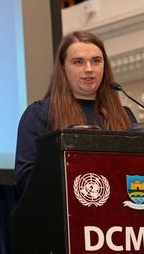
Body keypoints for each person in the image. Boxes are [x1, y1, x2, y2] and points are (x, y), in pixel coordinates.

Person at [14, 31, 137, 198]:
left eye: (96, 61)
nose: (89, 69)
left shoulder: (124, 116)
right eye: (78, 62)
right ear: (63, 68)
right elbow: (26, 181)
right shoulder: (39, 114)